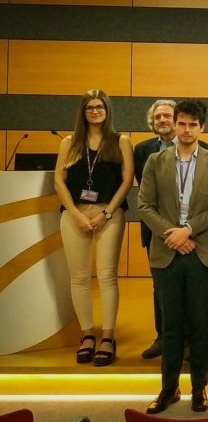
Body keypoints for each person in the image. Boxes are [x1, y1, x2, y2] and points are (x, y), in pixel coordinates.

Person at [137, 99, 208, 414]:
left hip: (203, 252)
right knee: (171, 325)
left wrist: (187, 230)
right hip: (166, 253)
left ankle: (200, 389)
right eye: (182, 123)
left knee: (201, 323)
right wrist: (173, 235)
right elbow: (144, 205)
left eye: (193, 124)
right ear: (174, 125)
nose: (187, 129)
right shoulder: (154, 161)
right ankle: (168, 388)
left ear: (202, 128)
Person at [54, 89, 134, 367]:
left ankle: (108, 337)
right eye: (90, 107)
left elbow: (127, 181)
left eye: (100, 107)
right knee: (78, 277)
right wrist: (74, 213)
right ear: (83, 112)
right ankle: (87, 334)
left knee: (107, 276)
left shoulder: (120, 141)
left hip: (108, 215)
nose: (95, 111)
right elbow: (59, 181)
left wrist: (107, 212)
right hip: (75, 214)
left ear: (107, 110)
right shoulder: (69, 143)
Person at [133, 99, 199, 360]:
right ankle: (163, 336)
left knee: (190, 288)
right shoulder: (143, 151)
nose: (162, 120)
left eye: (167, 116)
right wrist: (167, 231)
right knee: (161, 288)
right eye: (157, 117)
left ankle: (188, 340)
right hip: (158, 232)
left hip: (192, 234)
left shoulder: (201, 148)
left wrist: (186, 231)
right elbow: (146, 195)